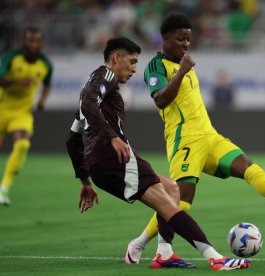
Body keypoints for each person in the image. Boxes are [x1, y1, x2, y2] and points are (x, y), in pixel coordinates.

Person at [124, 13, 265, 264]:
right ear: (165, 39)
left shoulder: (183, 63)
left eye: (189, 40)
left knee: (248, 168)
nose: (186, 44)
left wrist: (184, 69)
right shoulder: (156, 67)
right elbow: (161, 99)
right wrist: (182, 71)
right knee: (180, 202)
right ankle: (141, 245)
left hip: (210, 136)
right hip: (185, 140)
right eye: (180, 39)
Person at [65, 37, 251, 271]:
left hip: (102, 162)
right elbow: (90, 104)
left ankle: (164, 253)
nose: (134, 69)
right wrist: (113, 137)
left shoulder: (90, 87)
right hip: (114, 158)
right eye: (131, 62)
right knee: (168, 206)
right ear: (115, 58)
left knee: (172, 189)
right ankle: (215, 258)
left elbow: (72, 139)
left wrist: (85, 181)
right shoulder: (106, 76)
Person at [0, 27, 53, 206]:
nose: (34, 44)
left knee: (22, 144)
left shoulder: (45, 64)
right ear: (24, 42)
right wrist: (17, 82)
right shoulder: (11, 57)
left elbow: (47, 84)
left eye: (37, 41)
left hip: (22, 112)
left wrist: (42, 100)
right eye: (30, 40)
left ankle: (3, 189)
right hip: (1, 108)